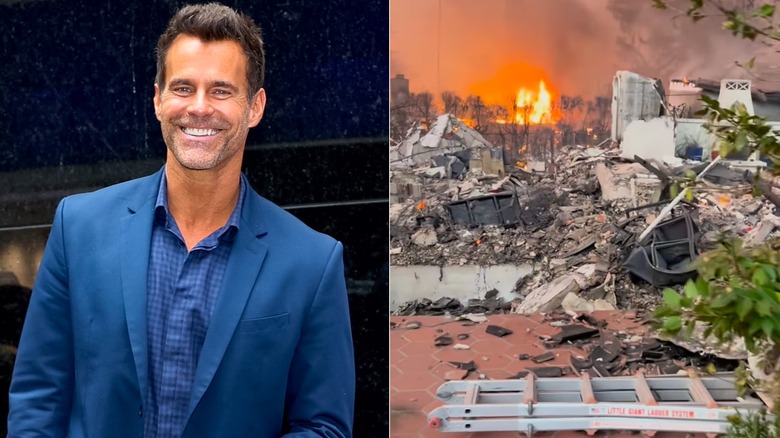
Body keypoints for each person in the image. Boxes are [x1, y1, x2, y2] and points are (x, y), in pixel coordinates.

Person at [7, 3, 355, 437]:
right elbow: (38, 399)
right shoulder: (79, 227)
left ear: (255, 107)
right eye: (183, 87)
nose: (200, 107)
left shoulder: (312, 262)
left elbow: (322, 426)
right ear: (157, 99)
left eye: (222, 90)